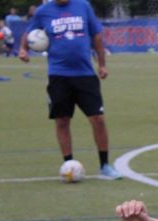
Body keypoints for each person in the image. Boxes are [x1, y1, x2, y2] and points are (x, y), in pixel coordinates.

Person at [19, 0, 122, 179]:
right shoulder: (44, 11)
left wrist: (102, 64)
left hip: (85, 74)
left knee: (98, 119)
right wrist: (22, 50)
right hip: (58, 75)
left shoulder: (83, 6)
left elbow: (96, 35)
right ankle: (68, 164)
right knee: (62, 121)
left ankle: (105, 165)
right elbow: (28, 34)